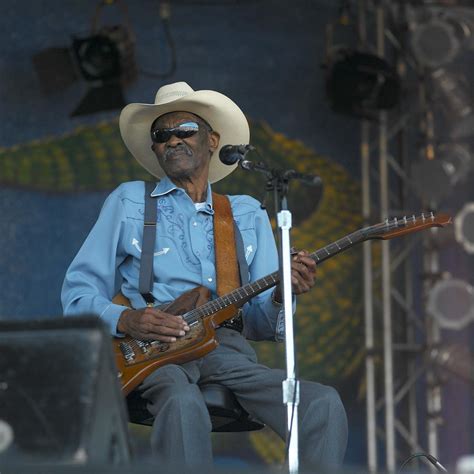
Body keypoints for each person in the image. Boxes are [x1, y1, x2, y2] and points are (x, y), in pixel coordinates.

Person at [61, 82, 348, 469]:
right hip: (154, 350)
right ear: (155, 149)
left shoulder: (245, 213)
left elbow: (264, 323)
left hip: (224, 350)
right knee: (182, 403)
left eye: (186, 131)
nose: (174, 140)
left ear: (212, 140)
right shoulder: (129, 200)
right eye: (162, 135)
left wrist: (283, 292)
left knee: (321, 403)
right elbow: (77, 294)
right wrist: (129, 319)